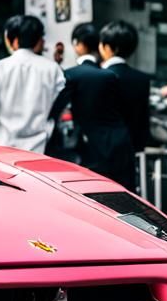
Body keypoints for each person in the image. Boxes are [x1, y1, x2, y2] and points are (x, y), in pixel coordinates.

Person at [53, 23, 134, 188]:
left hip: (89, 147)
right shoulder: (109, 75)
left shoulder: (71, 74)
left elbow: (56, 109)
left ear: (78, 45)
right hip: (119, 144)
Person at [0, 15, 66, 153]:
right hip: (39, 150)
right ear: (38, 39)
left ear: (13, 40)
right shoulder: (53, 69)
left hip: (2, 151)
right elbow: (61, 109)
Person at [99, 20, 152, 157]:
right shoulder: (142, 79)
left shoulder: (99, 77)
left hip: (102, 152)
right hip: (132, 151)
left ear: (108, 47)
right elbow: (143, 121)